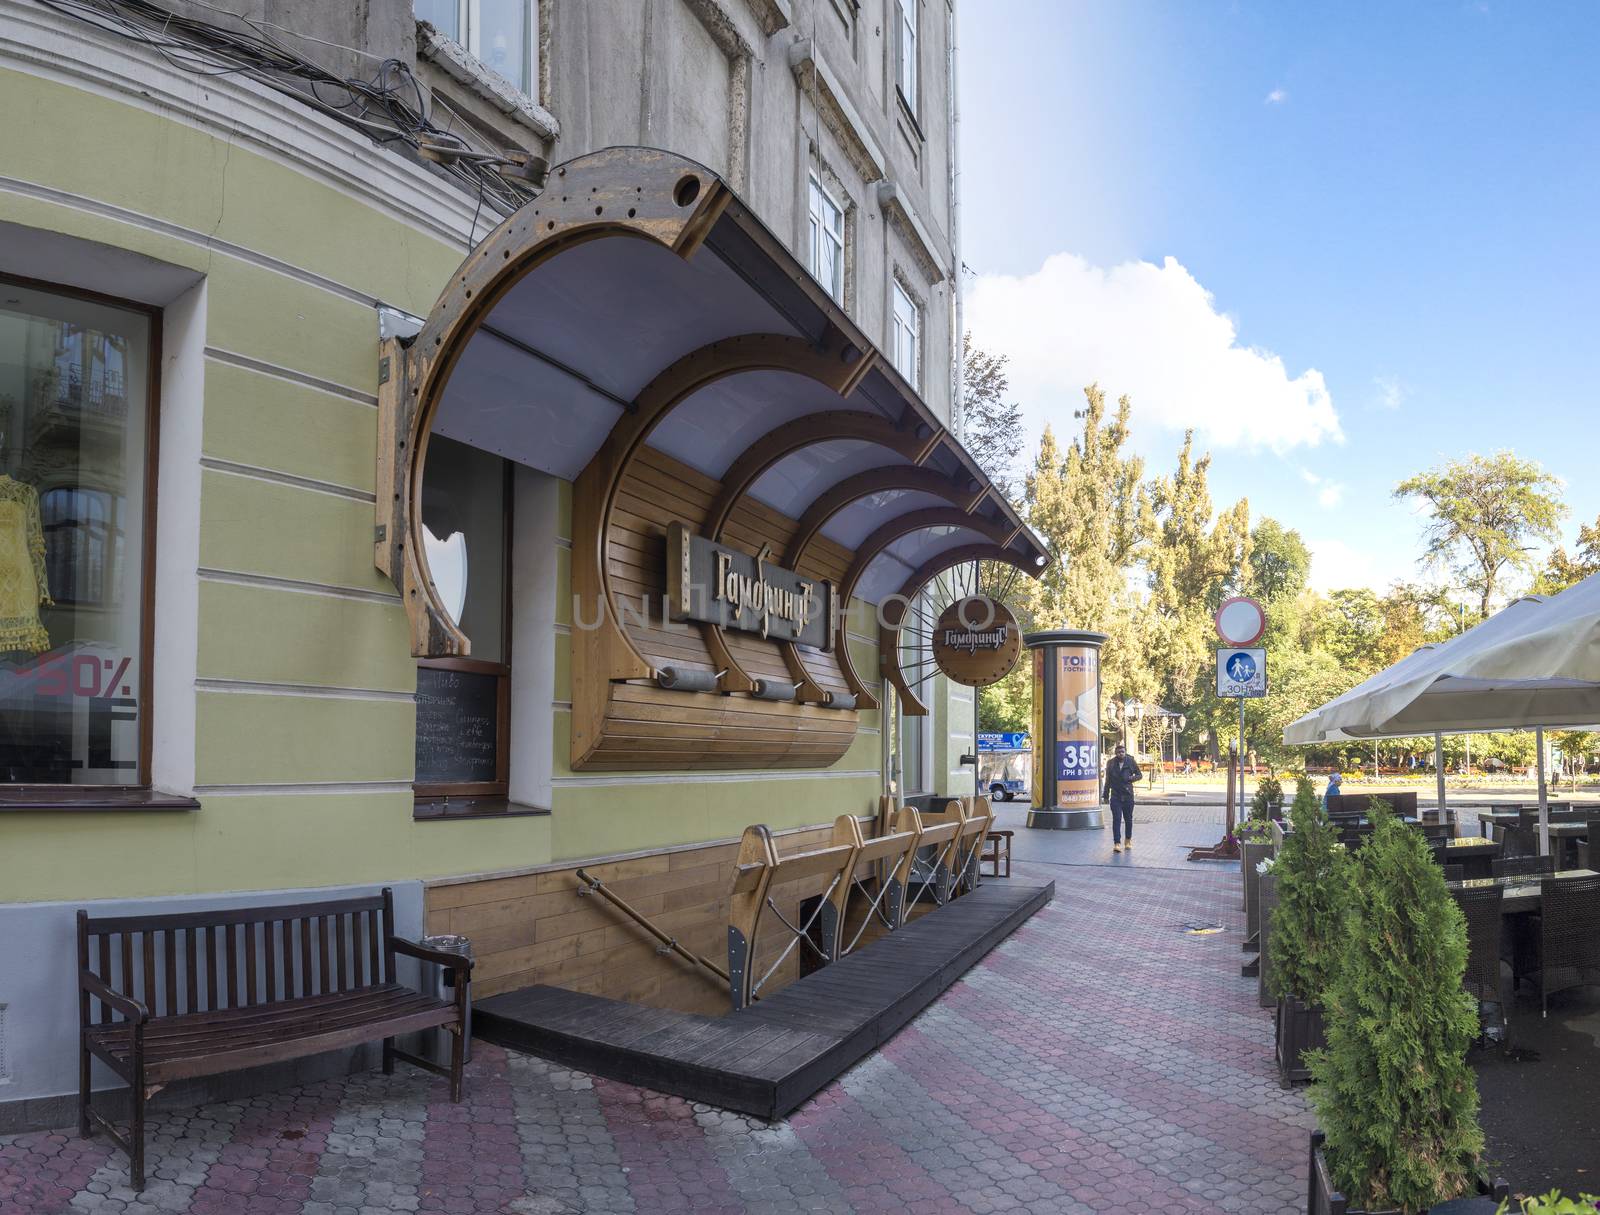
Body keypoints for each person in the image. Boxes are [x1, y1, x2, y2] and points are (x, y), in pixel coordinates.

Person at [1103, 743, 1142, 853]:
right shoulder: (1110, 763)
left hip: (1128, 795)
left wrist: (1131, 778)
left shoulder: (1130, 761)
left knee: (1128, 819)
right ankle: (1117, 843)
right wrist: (1105, 795)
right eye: (1119, 752)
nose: (1121, 754)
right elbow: (1108, 780)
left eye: (1123, 752)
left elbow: (1140, 775)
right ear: (1115, 753)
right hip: (1115, 796)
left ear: (1125, 752)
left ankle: (1128, 840)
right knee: (1116, 819)